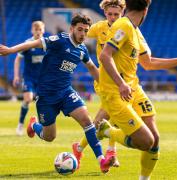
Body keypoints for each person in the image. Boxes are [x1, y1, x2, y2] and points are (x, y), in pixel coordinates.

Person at [0, 13, 115, 173]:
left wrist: (107, 86)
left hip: (66, 92)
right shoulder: (60, 41)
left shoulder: (82, 50)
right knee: (50, 136)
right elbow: (35, 43)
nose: (83, 34)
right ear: (72, 28)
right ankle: (34, 125)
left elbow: (92, 68)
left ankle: (101, 160)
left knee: (87, 121)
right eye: (80, 30)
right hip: (46, 97)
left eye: (86, 31)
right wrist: (11, 50)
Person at [98, 0, 177, 179]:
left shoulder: (135, 31)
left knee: (155, 140)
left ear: (127, 7)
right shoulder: (123, 25)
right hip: (116, 92)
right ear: (146, 10)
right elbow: (105, 56)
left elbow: (148, 64)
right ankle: (105, 130)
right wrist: (121, 83)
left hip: (133, 89)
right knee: (145, 141)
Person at [72, 0, 125, 168]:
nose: (113, 17)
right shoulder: (99, 27)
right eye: (110, 14)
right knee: (110, 115)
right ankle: (110, 152)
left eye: (116, 14)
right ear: (105, 13)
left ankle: (80, 147)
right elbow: (80, 34)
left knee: (109, 119)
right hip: (104, 81)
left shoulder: (126, 29)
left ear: (122, 13)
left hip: (121, 80)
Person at [13, 21, 45, 136]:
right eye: (36, 30)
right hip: (29, 78)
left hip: (42, 79)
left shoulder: (47, 44)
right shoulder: (27, 44)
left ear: (43, 31)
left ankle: (40, 126)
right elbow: (17, 59)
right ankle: (20, 124)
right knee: (28, 99)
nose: (38, 32)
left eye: (40, 30)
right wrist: (16, 75)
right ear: (32, 31)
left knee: (43, 102)